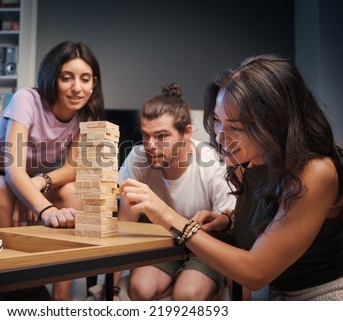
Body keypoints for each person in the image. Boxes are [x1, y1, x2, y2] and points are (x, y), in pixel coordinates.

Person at [119, 54, 343, 300]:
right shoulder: (249, 161)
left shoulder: (316, 172)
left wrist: (167, 215)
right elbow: (271, 223)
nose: (221, 138)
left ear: (276, 124)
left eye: (235, 127)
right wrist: (228, 221)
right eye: (217, 121)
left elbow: (256, 271)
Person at [0, 41, 105, 300]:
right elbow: (13, 169)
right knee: (3, 191)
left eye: (85, 79)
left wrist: (41, 182)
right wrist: (46, 210)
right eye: (67, 78)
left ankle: (60, 298)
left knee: (72, 193)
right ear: (53, 78)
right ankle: (6, 284)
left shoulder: (86, 113)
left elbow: (72, 167)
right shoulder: (26, 99)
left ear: (93, 83)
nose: (77, 88)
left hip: (29, 175)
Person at [113, 83, 236, 301]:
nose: (150, 145)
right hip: (163, 241)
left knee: (187, 294)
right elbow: (124, 225)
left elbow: (231, 230)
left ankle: (203, 287)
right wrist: (112, 290)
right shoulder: (138, 156)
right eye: (145, 135)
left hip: (204, 246)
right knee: (140, 289)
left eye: (161, 136)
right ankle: (175, 283)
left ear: (187, 132)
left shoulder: (211, 163)